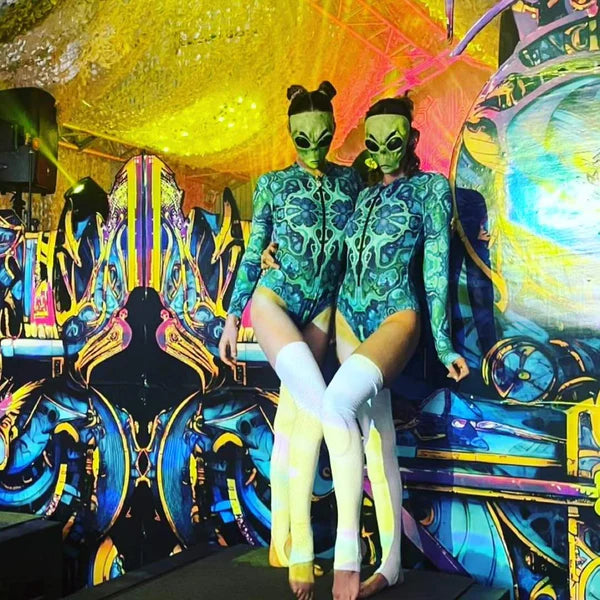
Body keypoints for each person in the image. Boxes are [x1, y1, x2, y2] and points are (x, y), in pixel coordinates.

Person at [262, 94, 469, 600]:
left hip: (397, 315)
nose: (383, 152)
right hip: (346, 319)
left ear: (412, 138)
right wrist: (273, 249)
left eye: (393, 141)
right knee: (377, 438)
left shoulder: (430, 190)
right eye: (373, 144)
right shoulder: (359, 191)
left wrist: (443, 343)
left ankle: (347, 553)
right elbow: (324, 244)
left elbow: (436, 268)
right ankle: (391, 563)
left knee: (334, 405)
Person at [218, 81, 363, 600]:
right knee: (320, 413)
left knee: (297, 421)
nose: (313, 148)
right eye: (303, 139)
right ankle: (302, 546)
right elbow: (255, 248)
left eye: (322, 137)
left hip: (322, 307)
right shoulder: (273, 184)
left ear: (333, 129)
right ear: (290, 133)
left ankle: (282, 539)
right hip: (275, 302)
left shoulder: (352, 180)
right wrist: (232, 317)